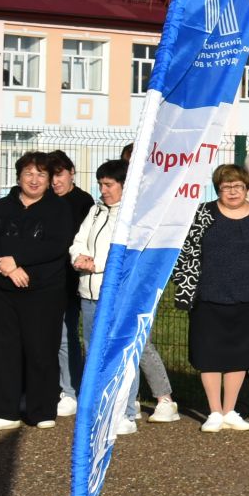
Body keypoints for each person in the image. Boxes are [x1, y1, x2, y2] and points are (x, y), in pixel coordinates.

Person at [69, 160, 177, 436]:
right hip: (89, 293)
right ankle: (102, 406)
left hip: (117, 295)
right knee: (94, 350)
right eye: (101, 184)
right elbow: (79, 240)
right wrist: (77, 257)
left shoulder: (135, 217)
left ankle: (127, 410)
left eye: (109, 184)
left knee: (123, 353)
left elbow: (129, 252)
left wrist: (99, 264)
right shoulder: (95, 211)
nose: (103, 190)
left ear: (124, 186)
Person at [0, 151, 76, 431]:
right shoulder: (2, 207)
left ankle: (41, 410)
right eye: (29, 174)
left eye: (41, 175)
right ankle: (4, 411)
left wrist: (17, 259)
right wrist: (8, 268)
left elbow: (56, 244)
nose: (34, 180)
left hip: (45, 291)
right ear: (19, 176)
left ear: (49, 179)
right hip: (4, 291)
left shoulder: (59, 208)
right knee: (4, 350)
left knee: (41, 349)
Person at [174, 165, 249, 432]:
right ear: (218, 188)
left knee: (240, 356)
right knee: (209, 355)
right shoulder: (204, 214)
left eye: (238, 186)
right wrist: (186, 289)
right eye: (226, 187)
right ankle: (214, 411)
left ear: (247, 188)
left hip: (248, 296)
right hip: (208, 296)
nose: (232, 192)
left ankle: (230, 409)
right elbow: (187, 253)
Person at [48, 149, 94, 417]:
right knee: (46, 337)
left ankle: (70, 389)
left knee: (68, 337)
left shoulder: (83, 202)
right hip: (45, 280)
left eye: (60, 175)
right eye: (51, 176)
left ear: (71, 173)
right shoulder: (45, 200)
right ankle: (51, 385)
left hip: (74, 280)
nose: (55, 182)